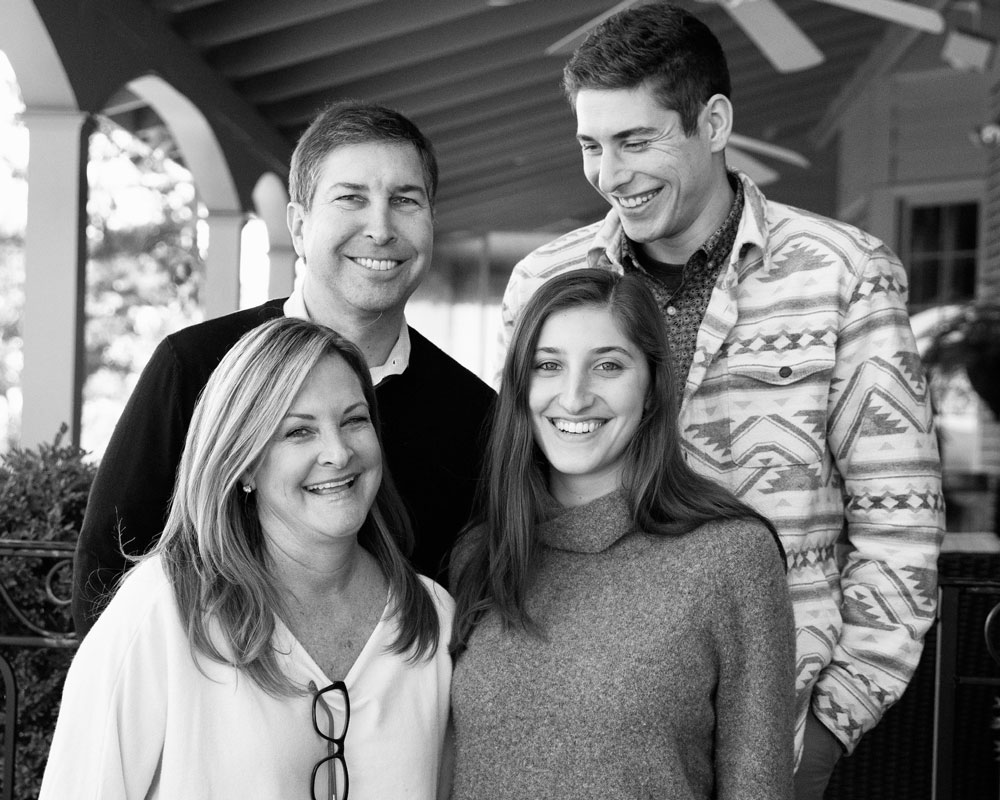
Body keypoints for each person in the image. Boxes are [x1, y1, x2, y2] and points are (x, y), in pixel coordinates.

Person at [496, 6, 944, 798]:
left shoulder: (845, 273)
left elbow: (900, 523)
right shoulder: (543, 281)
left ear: (713, 121)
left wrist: (829, 732)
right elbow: (517, 496)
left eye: (637, 141)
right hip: (586, 727)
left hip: (783, 725)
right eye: (592, 146)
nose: (611, 174)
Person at [73, 101, 495, 636]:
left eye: (406, 201)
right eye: (351, 199)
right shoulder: (197, 366)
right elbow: (107, 569)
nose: (381, 228)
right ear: (298, 225)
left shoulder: (475, 413)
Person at [41, 317, 453, 798]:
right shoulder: (162, 612)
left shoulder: (433, 621)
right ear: (245, 461)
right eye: (299, 432)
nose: (338, 453)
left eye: (354, 420)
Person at [449, 269, 796, 800]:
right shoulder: (482, 553)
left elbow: (758, 786)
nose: (574, 396)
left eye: (607, 366)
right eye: (548, 366)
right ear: (520, 388)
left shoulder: (730, 557)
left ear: (653, 387)